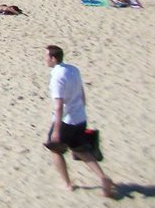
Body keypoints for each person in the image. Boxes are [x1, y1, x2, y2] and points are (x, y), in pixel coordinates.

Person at [44, 45, 116, 198]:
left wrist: (56, 130)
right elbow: (82, 93)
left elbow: (58, 106)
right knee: (80, 150)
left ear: (53, 58)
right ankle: (103, 178)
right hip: (80, 118)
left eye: (46, 56)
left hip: (66, 121)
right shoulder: (73, 69)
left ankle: (67, 184)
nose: (45, 59)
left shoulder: (57, 78)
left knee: (55, 150)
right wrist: (81, 110)